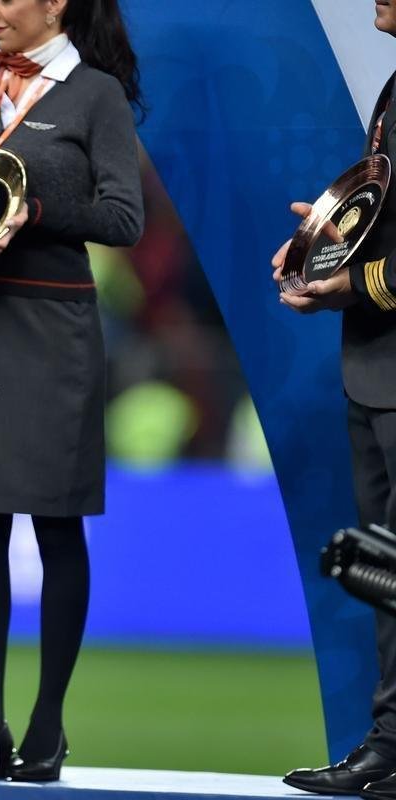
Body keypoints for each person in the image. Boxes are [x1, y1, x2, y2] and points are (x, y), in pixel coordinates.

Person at [0, 0, 144, 781]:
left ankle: (48, 725)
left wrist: (33, 209)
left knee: (56, 528)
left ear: (55, 3)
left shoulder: (95, 94)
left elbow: (125, 218)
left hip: (54, 330)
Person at [274, 4, 396, 798]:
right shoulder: (393, 87)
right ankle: (390, 745)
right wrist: (322, 241)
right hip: (375, 367)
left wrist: (352, 284)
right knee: (387, 574)